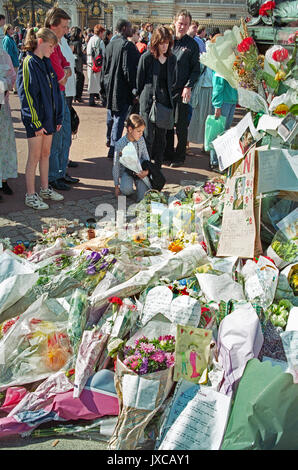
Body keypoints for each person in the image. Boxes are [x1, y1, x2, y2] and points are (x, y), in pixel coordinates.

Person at [17, 27, 64, 210]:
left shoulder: (46, 63)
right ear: (40, 42)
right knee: (34, 157)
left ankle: (44, 188)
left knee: (46, 154)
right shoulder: (29, 62)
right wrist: (35, 122)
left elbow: (54, 92)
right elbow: (27, 95)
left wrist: (57, 117)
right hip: (36, 121)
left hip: (49, 119)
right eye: (51, 46)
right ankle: (30, 194)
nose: (52, 50)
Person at [44, 7, 77, 190]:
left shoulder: (58, 44)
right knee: (57, 137)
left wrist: (65, 73)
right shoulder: (48, 44)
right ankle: (53, 175)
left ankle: (61, 171)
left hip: (62, 93)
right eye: (64, 26)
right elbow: (60, 74)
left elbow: (67, 65)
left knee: (65, 134)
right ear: (53, 25)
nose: (66, 30)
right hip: (54, 95)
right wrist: (65, 73)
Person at [164, 9, 200, 168]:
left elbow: (196, 70)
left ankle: (179, 156)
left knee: (180, 124)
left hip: (182, 91)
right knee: (167, 123)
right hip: (166, 90)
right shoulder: (168, 41)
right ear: (174, 22)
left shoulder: (192, 44)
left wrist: (188, 86)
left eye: (186, 24)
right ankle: (167, 153)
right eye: (180, 23)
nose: (182, 27)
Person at [137, 25, 176, 168]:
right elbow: (139, 81)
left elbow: (173, 80)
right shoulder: (146, 58)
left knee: (161, 138)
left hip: (164, 102)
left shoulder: (172, 59)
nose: (164, 46)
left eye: (167, 43)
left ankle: (157, 168)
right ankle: (145, 168)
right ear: (155, 42)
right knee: (147, 137)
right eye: (161, 42)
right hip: (148, 101)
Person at [101, 19, 140, 159]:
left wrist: (103, 87)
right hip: (121, 88)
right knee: (119, 118)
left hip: (110, 86)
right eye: (130, 27)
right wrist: (134, 89)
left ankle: (109, 140)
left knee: (111, 116)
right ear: (124, 28)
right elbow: (128, 70)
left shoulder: (110, 45)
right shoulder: (127, 45)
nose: (132, 30)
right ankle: (114, 148)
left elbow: (104, 69)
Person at [209, 34, 238, 171]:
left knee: (224, 133)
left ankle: (220, 160)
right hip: (224, 102)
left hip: (231, 100)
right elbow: (217, 87)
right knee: (219, 133)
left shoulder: (229, 61)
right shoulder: (221, 64)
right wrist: (217, 105)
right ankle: (214, 161)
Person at [113, 114, 150, 203]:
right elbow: (116, 165)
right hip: (127, 171)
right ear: (130, 129)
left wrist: (147, 171)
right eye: (139, 131)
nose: (141, 134)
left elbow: (146, 157)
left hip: (140, 170)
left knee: (142, 198)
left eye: (142, 131)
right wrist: (116, 186)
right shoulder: (120, 144)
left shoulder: (141, 140)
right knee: (126, 190)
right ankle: (127, 186)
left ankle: (140, 185)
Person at [0, 23, 18, 200]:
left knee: (3, 146)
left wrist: (4, 85)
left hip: (2, 108)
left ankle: (3, 180)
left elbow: (12, 76)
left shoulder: (3, 55)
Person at [87, 23, 105, 107]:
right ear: (100, 32)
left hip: (90, 63)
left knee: (91, 81)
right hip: (98, 64)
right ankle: (102, 100)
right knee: (99, 82)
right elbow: (103, 53)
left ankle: (91, 99)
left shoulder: (90, 39)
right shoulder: (100, 41)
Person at [69, 27, 85, 103]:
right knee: (80, 78)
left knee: (76, 78)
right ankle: (78, 96)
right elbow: (79, 53)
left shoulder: (70, 41)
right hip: (78, 62)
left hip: (73, 62)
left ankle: (75, 96)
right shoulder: (78, 43)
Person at [2, 24, 19, 92]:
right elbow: (8, 52)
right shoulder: (7, 39)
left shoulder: (9, 38)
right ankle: (15, 89)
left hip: (14, 59)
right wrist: (10, 62)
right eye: (11, 29)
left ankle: (13, 88)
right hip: (12, 60)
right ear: (8, 30)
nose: (13, 30)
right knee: (14, 75)